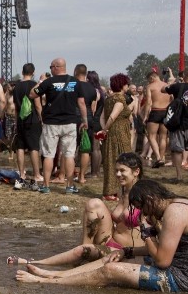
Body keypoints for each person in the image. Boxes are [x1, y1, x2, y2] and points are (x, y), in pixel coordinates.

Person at [16, 179, 188, 293]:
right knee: (117, 255)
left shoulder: (174, 213)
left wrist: (145, 231)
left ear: (151, 199)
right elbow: (166, 250)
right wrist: (127, 251)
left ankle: (48, 281)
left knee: (110, 270)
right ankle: (57, 274)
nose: (144, 214)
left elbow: (162, 261)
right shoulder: (183, 203)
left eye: (142, 208)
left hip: (186, 282)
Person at [7, 152, 145, 266]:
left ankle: (36, 262)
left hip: (126, 251)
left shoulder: (144, 195)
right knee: (94, 204)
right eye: (116, 171)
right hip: (110, 240)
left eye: (122, 171)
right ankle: (85, 249)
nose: (118, 174)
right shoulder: (123, 191)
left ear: (136, 171)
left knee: (80, 251)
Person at [30, 57, 88, 194]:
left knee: (49, 154)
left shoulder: (49, 82)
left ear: (56, 67)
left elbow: (32, 94)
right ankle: (69, 185)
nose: (50, 69)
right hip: (70, 122)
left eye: (51, 67)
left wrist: (40, 82)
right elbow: (81, 103)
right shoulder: (75, 82)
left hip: (51, 123)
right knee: (69, 154)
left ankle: (46, 185)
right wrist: (84, 120)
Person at [97, 74, 133, 200]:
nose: (127, 86)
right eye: (127, 84)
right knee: (122, 161)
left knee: (110, 160)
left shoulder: (108, 99)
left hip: (110, 133)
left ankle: (111, 191)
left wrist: (104, 130)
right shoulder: (120, 99)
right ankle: (115, 191)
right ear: (123, 85)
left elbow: (102, 117)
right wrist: (105, 129)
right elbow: (113, 116)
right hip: (119, 134)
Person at [11, 63, 42, 186]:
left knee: (20, 147)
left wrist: (16, 121)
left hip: (20, 120)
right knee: (34, 147)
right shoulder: (34, 85)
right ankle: (36, 174)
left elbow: (16, 108)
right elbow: (38, 105)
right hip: (32, 119)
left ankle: (22, 173)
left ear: (23, 72)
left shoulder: (16, 87)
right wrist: (41, 118)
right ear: (33, 72)